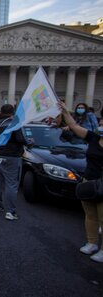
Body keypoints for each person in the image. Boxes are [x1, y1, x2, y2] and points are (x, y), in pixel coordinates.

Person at [59, 101, 103, 262]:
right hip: (89, 180)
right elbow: (75, 127)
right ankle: (92, 242)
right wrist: (65, 112)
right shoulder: (93, 138)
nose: (101, 124)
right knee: (90, 215)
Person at [0, 104, 29, 221]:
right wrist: (30, 142)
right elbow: (21, 139)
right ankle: (10, 211)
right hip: (11, 156)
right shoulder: (14, 123)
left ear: (0, 111)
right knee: (11, 183)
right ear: (12, 112)